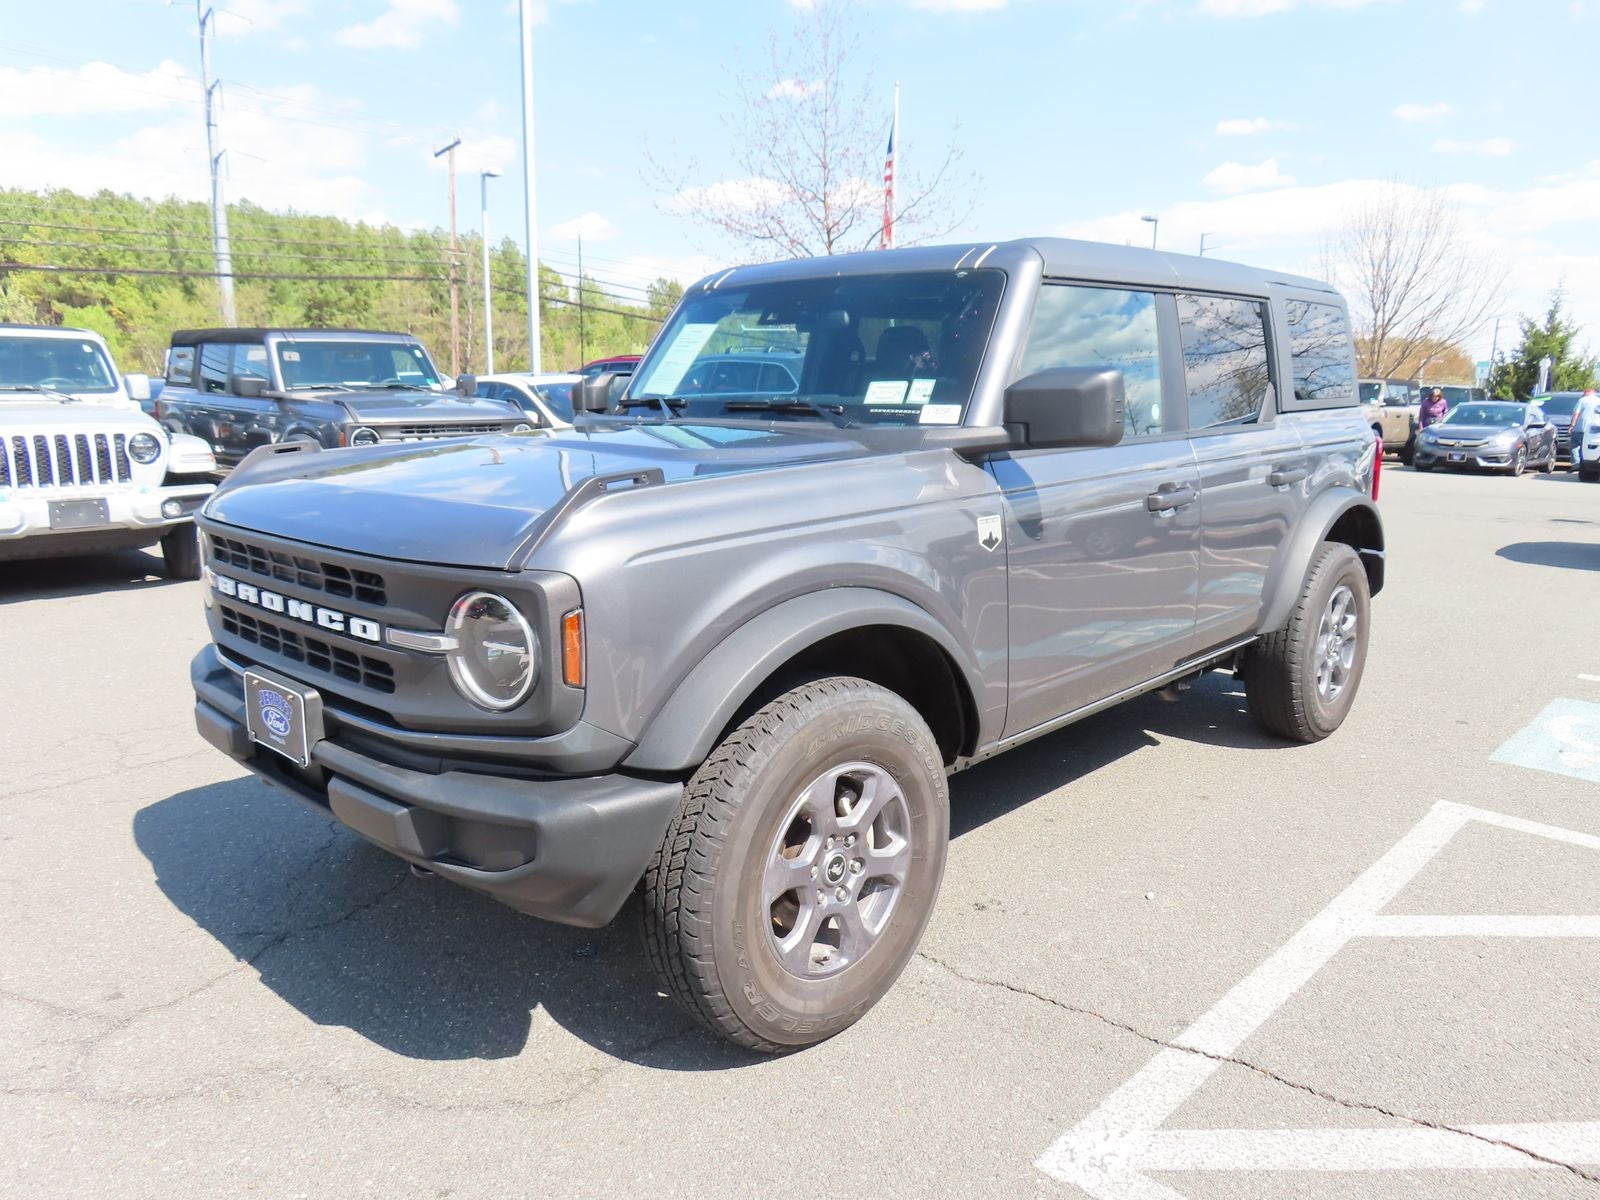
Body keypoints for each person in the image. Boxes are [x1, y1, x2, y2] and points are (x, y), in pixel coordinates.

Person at [1571, 388, 1599, 471]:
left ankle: (1576, 463)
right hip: (1594, 431)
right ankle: (1585, 463)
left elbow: (1576, 413)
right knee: (1587, 448)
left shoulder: (1582, 400)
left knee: (1574, 446)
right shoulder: (1598, 401)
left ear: (1588, 392)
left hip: (1580, 428)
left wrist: (1572, 425)